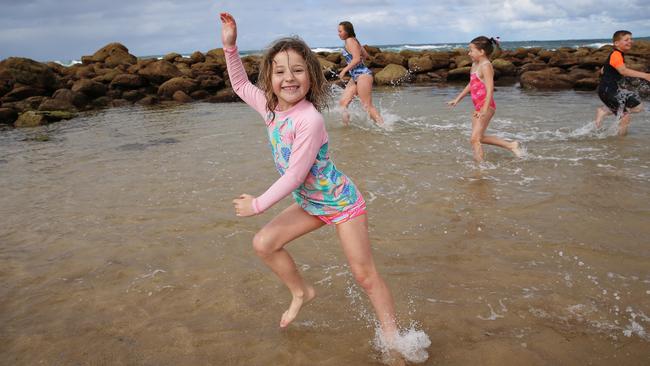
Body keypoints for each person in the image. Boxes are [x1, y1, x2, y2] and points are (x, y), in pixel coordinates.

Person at [219, 12, 400, 346]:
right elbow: (241, 85)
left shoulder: (310, 120)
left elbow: (295, 174)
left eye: (298, 70)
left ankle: (393, 339)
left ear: (311, 77)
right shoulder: (270, 107)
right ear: (269, 78)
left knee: (364, 275)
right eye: (281, 71)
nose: (289, 78)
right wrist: (230, 47)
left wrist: (258, 204)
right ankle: (302, 291)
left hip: (341, 202)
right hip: (310, 203)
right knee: (264, 243)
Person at [447, 36, 522, 163]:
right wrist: (457, 98)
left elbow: (490, 89)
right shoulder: (475, 64)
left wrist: (484, 109)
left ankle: (480, 170)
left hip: (486, 106)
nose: (469, 53)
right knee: (479, 138)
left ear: (481, 52)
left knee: (474, 139)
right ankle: (510, 145)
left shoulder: (486, 66)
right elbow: (471, 84)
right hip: (478, 107)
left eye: (471, 50)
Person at [594, 30, 650, 136]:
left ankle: (604, 111)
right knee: (625, 117)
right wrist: (646, 76)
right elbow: (623, 71)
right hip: (608, 91)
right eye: (626, 40)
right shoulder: (616, 55)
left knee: (638, 107)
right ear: (616, 43)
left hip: (610, 90)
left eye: (631, 39)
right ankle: (621, 143)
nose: (630, 41)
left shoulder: (617, 55)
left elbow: (602, 70)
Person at [337, 21, 384, 125]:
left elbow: (357, 59)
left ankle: (384, 127)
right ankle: (346, 128)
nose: (338, 33)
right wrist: (360, 56)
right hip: (355, 77)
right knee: (343, 103)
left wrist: (344, 70)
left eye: (340, 31)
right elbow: (366, 55)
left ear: (347, 31)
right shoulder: (354, 41)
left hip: (363, 75)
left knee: (367, 105)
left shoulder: (350, 41)